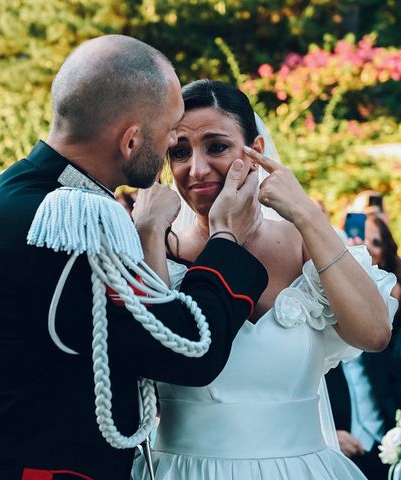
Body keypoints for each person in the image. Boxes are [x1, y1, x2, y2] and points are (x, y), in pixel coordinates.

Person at [0, 36, 270, 479]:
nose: (175, 140)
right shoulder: (67, 224)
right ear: (132, 140)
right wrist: (227, 237)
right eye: (170, 128)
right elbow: (188, 350)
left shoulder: (15, 193)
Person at [131, 80, 395, 480]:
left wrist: (306, 214)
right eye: (180, 152)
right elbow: (152, 371)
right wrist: (148, 234)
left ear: (254, 149)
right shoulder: (159, 250)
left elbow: (375, 333)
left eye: (216, 147)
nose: (197, 169)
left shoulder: (306, 244)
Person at [325, 213, 401, 480]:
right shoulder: (314, 307)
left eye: (375, 243)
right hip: (336, 451)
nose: (365, 247)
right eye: (358, 239)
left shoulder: (390, 318)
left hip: (385, 446)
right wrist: (327, 434)